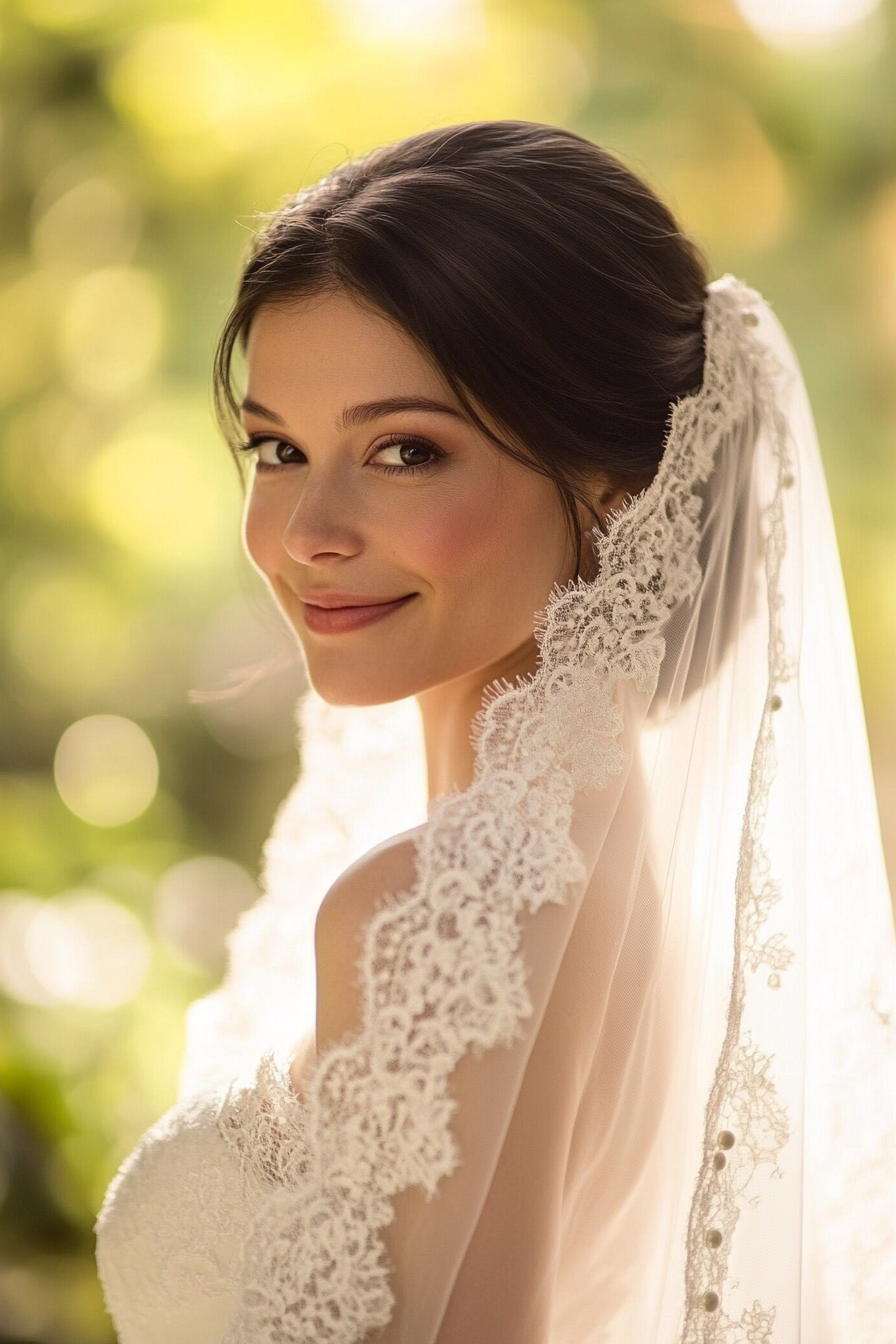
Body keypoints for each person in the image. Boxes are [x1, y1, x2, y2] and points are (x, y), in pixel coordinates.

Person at [95, 121, 896, 1344]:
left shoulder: (443, 905)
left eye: (404, 451)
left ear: (617, 485)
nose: (308, 528)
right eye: (278, 449)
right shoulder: (600, 864)